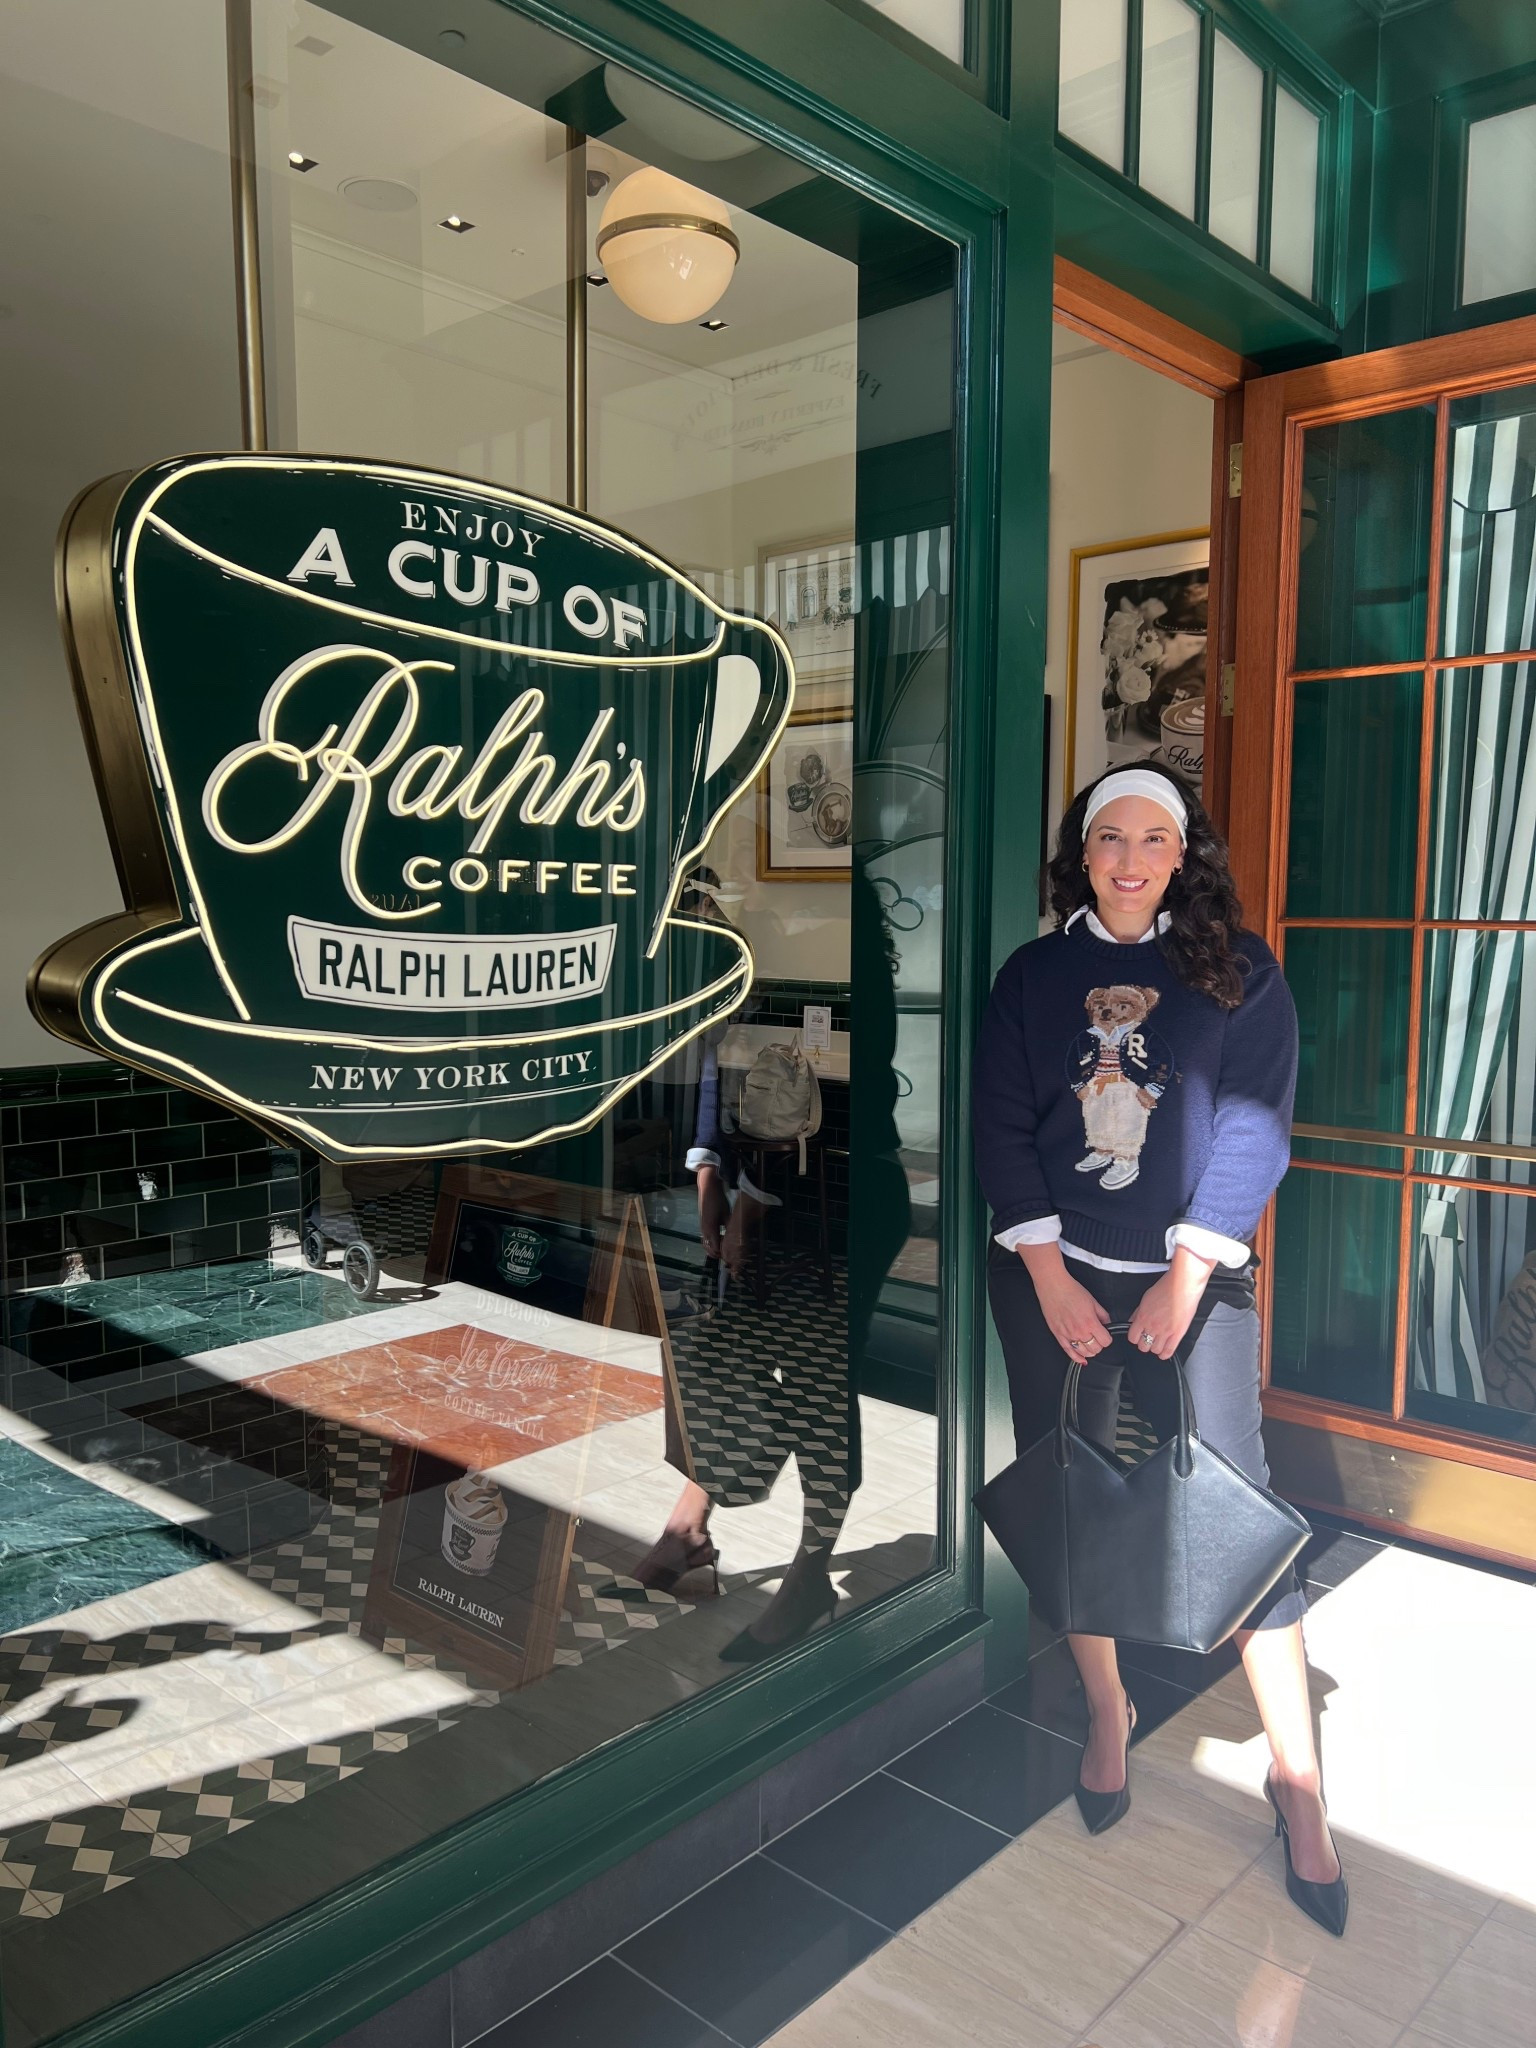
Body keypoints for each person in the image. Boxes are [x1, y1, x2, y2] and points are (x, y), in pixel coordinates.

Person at [972, 762, 1348, 1939]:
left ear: (1184, 854)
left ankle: (1297, 1776)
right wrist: (1050, 1276)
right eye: (1108, 838)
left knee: (1238, 1502)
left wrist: (1186, 1276)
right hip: (1055, 1270)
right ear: (1080, 854)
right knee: (1070, 1491)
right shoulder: (1032, 977)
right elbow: (1001, 1127)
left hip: (1197, 1272)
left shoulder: (1240, 970)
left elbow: (1253, 1131)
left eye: (1152, 840)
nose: (1129, 860)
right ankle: (1107, 1707)